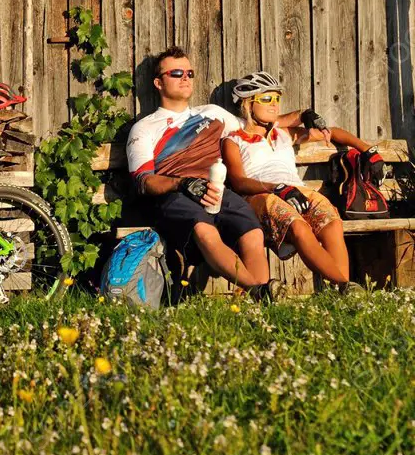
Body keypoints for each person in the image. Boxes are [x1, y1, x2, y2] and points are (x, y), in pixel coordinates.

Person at [126, 47, 307, 295]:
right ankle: (259, 291)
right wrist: (180, 184)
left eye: (189, 72)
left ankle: (263, 300)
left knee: (252, 231)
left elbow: (257, 122)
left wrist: (303, 115)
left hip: (216, 189)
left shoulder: (212, 114)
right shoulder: (144, 128)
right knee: (204, 229)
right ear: (158, 82)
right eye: (176, 73)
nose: (185, 78)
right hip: (176, 194)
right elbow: (144, 182)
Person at [221, 71, 381, 286]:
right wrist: (277, 188)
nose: (274, 104)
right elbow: (239, 181)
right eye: (266, 99)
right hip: (261, 194)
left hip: (296, 189)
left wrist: (369, 150)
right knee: (298, 227)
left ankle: (342, 295)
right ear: (248, 104)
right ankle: (344, 286)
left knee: (331, 222)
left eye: (276, 99)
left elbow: (332, 132)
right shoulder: (233, 140)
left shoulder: (284, 134)